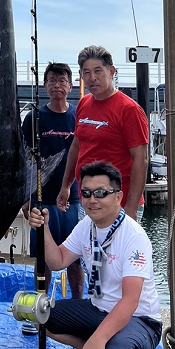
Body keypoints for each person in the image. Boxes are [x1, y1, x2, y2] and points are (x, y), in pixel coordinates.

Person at [29, 161, 161, 349]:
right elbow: (57, 261)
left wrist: (97, 340)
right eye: (86, 193)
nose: (92, 200)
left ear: (118, 196)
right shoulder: (86, 226)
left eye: (101, 193)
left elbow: (130, 300)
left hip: (139, 318)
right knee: (40, 316)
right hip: (98, 309)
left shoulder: (134, 236)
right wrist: (43, 229)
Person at [57, 45, 148, 221]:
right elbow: (76, 146)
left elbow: (141, 159)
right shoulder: (84, 103)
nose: (92, 78)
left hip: (117, 203)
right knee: (87, 241)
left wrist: (131, 207)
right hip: (87, 200)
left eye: (97, 71)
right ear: (81, 75)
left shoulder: (129, 109)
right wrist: (66, 185)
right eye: (86, 72)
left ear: (111, 71)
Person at [22, 62, 84, 300]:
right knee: (43, 257)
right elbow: (24, 158)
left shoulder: (78, 115)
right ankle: (41, 302)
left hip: (73, 198)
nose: (57, 85)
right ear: (45, 85)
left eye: (62, 81)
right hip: (41, 198)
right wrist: (25, 199)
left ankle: (78, 303)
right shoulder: (33, 117)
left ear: (70, 86)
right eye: (52, 81)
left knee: (75, 257)